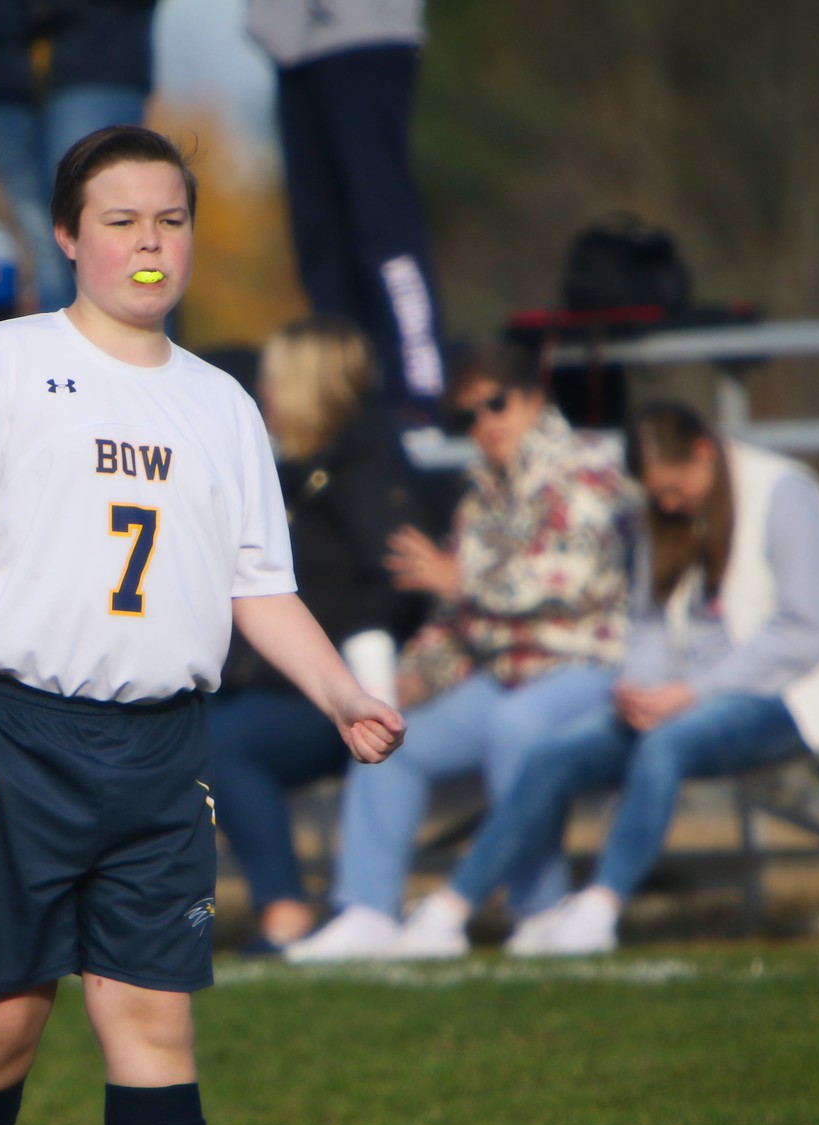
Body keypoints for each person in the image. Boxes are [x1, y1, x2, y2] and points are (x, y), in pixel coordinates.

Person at [0, 126, 403, 1125]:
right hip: (10, 738)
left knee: (152, 1027)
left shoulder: (220, 402)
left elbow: (254, 586)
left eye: (168, 219)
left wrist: (338, 692)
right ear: (68, 235)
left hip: (165, 751)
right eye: (120, 221)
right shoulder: (1, 365)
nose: (148, 243)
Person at [406, 400, 819, 956]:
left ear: (705, 453)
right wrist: (639, 687)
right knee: (552, 755)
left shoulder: (785, 492)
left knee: (665, 745)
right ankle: (448, 910)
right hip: (679, 694)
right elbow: (650, 623)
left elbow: (802, 634)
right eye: (658, 494)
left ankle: (599, 910)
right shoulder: (664, 513)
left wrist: (688, 694)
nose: (670, 503)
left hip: (790, 693)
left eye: (677, 487)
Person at [286, 342, 636, 962]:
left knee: (515, 728)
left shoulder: (583, 468)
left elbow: (567, 577)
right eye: (467, 415)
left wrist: (460, 581)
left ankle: (540, 911)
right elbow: (456, 622)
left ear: (533, 400)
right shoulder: (481, 493)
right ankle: (367, 910)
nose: (484, 424)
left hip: (587, 667)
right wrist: (409, 681)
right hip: (503, 673)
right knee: (393, 739)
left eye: (496, 405)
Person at [210, 318, 435, 951]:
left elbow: (393, 589)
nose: (264, 395)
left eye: (275, 382)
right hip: (277, 686)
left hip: (347, 695)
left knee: (222, 743)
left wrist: (359, 680)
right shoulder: (300, 468)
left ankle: (284, 914)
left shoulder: (365, 468)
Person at [246, 0, 445, 421]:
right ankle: (343, 396)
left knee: (382, 224)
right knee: (318, 237)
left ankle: (418, 390)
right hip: (291, 43)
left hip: (366, 31)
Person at [0, 0, 160, 313]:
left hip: (97, 54)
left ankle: (140, 356)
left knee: (117, 229)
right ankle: (65, 356)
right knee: (44, 242)